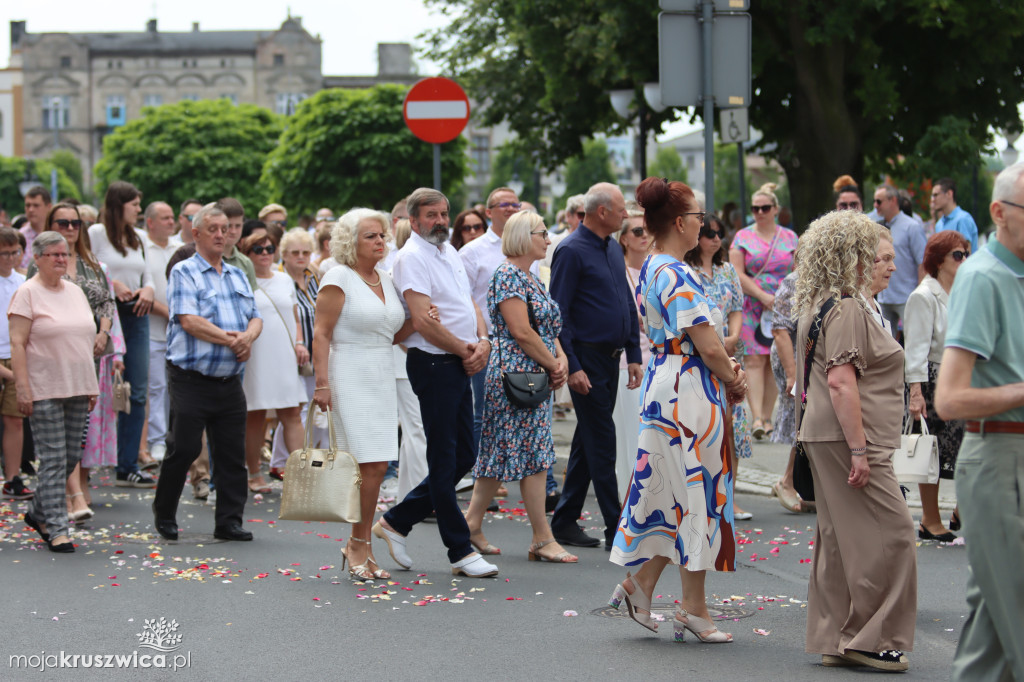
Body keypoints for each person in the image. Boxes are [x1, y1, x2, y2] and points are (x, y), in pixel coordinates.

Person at [608, 177, 747, 643]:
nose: (703, 223)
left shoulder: (654, 267)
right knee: (698, 495)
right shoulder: (678, 273)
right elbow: (709, 346)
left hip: (667, 381)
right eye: (698, 216)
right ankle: (691, 607)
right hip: (688, 386)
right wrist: (734, 378)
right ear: (682, 223)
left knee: (678, 496)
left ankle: (643, 586)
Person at [795, 210, 916, 671]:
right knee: (893, 535)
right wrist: (862, 450)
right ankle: (871, 637)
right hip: (848, 438)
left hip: (828, 434)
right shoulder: (845, 305)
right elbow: (842, 382)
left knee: (839, 539)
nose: (885, 263)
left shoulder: (826, 302)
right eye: (874, 252)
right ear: (853, 254)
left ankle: (836, 635)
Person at [372, 187, 500, 578]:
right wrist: (466, 350)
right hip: (434, 363)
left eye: (444, 214)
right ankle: (460, 550)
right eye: (431, 215)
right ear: (413, 221)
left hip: (459, 359)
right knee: (444, 458)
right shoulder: (411, 257)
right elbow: (423, 321)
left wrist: (482, 341)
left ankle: (396, 520)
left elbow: (469, 303)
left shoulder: (449, 251)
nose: (441, 221)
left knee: (464, 454)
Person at [936, 161, 1024, 682]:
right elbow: (949, 399)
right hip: (997, 459)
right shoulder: (983, 277)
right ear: (1000, 213)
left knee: (994, 634)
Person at [462, 211, 575, 563]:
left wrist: (560, 357)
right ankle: (542, 538)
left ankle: (470, 525)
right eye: (543, 233)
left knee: (496, 455)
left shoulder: (530, 275)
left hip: (533, 370)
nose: (548, 239)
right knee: (536, 457)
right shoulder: (508, 274)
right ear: (525, 237)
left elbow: (546, 329)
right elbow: (521, 331)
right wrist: (553, 362)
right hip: (518, 375)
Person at [312, 208, 416, 580]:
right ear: (350, 241)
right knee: (360, 466)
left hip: (380, 371)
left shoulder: (386, 279)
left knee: (376, 466)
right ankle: (357, 543)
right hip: (349, 371)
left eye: (383, 236)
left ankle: (361, 544)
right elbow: (321, 332)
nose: (381, 242)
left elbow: (391, 333)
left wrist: (421, 321)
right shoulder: (338, 275)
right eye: (371, 236)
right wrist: (321, 383)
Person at [152, 203, 262, 542]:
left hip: (229, 380)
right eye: (212, 229)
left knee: (231, 454)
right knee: (183, 448)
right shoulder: (185, 271)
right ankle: (165, 512)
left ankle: (229, 521)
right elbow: (189, 321)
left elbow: (255, 316)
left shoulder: (237, 273)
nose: (220, 234)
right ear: (196, 234)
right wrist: (233, 341)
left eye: (225, 228)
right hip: (191, 378)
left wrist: (248, 337)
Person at [549, 182, 642, 550]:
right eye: (621, 209)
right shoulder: (571, 250)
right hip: (585, 357)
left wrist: (633, 352)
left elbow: (626, 302)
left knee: (588, 442)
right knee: (603, 440)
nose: (626, 215)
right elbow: (559, 314)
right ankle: (615, 527)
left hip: (612, 356)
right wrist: (572, 365)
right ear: (602, 212)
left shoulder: (611, 249)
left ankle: (565, 519)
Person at [31, 204, 120, 519]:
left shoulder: (91, 264)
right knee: (57, 439)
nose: (70, 228)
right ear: (51, 225)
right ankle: (72, 497)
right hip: (52, 361)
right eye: (63, 222)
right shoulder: (38, 266)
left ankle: (72, 488)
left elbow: (107, 301)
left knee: (79, 430)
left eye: (76, 223)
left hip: (87, 355)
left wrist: (104, 333)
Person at [12, 231, 99, 552]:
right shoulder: (27, 293)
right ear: (37, 259)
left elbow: (83, 340)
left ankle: (37, 512)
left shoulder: (75, 291)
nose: (62, 259)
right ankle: (58, 528)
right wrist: (23, 387)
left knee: (71, 456)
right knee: (52, 458)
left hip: (78, 384)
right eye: (54, 254)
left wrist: (91, 384)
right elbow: (18, 343)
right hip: (44, 385)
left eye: (65, 254)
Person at [685, 213, 754, 520]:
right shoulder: (687, 271)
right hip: (701, 357)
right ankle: (703, 493)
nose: (715, 239)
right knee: (706, 429)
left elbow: (737, 307)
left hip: (727, 352)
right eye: (708, 233)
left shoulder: (727, 271)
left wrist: (734, 335)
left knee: (731, 429)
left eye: (719, 233)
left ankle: (730, 496)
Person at [88, 181, 156, 488]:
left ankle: (127, 463)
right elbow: (88, 270)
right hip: (106, 315)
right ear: (119, 205)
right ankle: (94, 459)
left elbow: (149, 276)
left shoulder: (139, 237)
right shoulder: (96, 233)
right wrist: (112, 284)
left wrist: (148, 291)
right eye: (135, 204)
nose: (139, 210)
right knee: (102, 390)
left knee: (137, 390)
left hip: (136, 314)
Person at [905, 231, 969, 542]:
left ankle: (963, 507)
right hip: (931, 381)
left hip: (960, 379)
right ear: (939, 260)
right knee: (930, 452)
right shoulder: (923, 295)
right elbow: (915, 349)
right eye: (958, 254)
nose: (964, 260)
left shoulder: (962, 291)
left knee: (969, 449)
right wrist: (915, 394)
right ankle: (930, 519)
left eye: (966, 254)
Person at [239, 231, 307, 494]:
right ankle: (254, 473)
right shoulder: (242, 281)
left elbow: (295, 317)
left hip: (285, 353)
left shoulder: (284, 280)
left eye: (269, 248)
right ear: (247, 253)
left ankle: (302, 477)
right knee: (255, 414)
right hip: (257, 353)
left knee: (291, 412)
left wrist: (300, 343)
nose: (265, 253)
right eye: (257, 249)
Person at [729, 182, 798, 440]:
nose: (759, 212)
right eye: (755, 208)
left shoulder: (790, 237)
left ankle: (768, 417)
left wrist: (780, 299)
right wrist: (762, 296)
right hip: (753, 303)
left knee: (774, 360)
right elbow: (737, 272)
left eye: (765, 208)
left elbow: (799, 269)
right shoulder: (743, 237)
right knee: (754, 359)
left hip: (783, 305)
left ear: (776, 209)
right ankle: (756, 415)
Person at [268, 228, 324, 479]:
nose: (301, 257)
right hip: (290, 350)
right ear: (284, 254)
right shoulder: (277, 277)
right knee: (293, 408)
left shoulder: (314, 275)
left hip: (316, 350)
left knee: (313, 406)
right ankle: (281, 460)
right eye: (294, 253)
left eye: (305, 252)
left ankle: (302, 456)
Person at [610, 203, 652, 500]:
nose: (644, 235)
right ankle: (629, 503)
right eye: (637, 231)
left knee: (653, 439)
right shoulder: (616, 271)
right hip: (628, 363)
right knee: (630, 438)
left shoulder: (656, 268)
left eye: (648, 230)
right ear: (624, 238)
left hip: (659, 360)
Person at [142, 201, 183, 464]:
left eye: (172, 218)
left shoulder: (180, 249)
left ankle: (174, 437)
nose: (171, 222)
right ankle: (156, 441)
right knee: (156, 388)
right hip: (151, 330)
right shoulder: (141, 248)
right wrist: (165, 311)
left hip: (179, 333)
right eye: (165, 218)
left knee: (175, 389)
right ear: (150, 222)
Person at [874, 183, 927, 337]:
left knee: (914, 342)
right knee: (884, 345)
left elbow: (922, 262)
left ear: (893, 201)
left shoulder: (912, 226)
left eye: (879, 201)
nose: (875, 205)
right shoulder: (878, 227)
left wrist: (920, 293)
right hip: (884, 296)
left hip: (907, 296)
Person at [0, 227, 30, 500]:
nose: (10, 259)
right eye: (4, 254)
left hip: (14, 353)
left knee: (15, 419)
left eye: (15, 252)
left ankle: (12, 477)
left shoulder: (22, 283)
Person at [931, 177, 979, 253]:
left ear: (949, 194)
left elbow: (966, 256)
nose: (932, 199)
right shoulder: (939, 225)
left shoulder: (963, 219)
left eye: (935, 195)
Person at [18, 186, 51, 269]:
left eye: (36, 205)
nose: (31, 209)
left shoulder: (58, 235)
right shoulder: (20, 237)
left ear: (49, 207)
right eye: (28, 205)